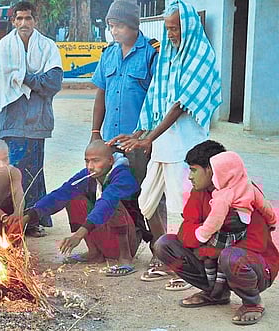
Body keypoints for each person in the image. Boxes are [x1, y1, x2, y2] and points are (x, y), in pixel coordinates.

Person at [108, 0, 222, 285]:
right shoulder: (168, 54)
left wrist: (149, 139)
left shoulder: (201, 55)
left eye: (176, 29)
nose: (171, 34)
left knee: (182, 208)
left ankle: (187, 268)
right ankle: (168, 257)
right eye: (168, 29)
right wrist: (138, 133)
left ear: (189, 27)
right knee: (147, 202)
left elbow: (180, 105)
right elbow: (154, 98)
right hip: (161, 144)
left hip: (184, 146)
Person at [154, 140, 279, 326]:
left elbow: (257, 243)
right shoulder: (200, 192)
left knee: (231, 256)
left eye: (194, 170)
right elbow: (184, 231)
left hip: (257, 266)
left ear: (212, 170)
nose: (189, 177)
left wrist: (208, 248)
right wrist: (203, 242)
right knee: (164, 245)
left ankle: (253, 303)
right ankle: (216, 294)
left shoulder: (244, 194)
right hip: (216, 256)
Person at [89, 0, 164, 271]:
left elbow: (158, 99)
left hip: (140, 141)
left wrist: (148, 137)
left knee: (151, 196)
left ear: (134, 26)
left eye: (119, 25)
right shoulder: (108, 54)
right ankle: (126, 251)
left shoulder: (152, 53)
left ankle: (160, 249)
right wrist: (96, 133)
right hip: (111, 142)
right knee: (116, 196)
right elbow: (100, 94)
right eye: (111, 25)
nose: (114, 31)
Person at [0, 1, 63, 237]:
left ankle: (31, 221)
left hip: (37, 121)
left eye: (28, 18)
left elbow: (53, 82)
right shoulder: (5, 47)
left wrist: (25, 78)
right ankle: (8, 220)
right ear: (12, 21)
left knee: (33, 173)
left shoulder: (48, 47)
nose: (23, 23)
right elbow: (1, 82)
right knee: (9, 172)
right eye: (18, 19)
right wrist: (33, 80)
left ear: (35, 20)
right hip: (12, 121)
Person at [24, 140, 140, 275]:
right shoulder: (89, 174)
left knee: (113, 204)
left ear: (110, 160)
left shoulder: (123, 176)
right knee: (72, 196)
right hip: (106, 234)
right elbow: (62, 192)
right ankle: (94, 253)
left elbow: (106, 204)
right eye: (87, 161)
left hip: (128, 238)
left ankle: (125, 259)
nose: (90, 166)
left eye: (96, 161)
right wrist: (28, 216)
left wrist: (78, 235)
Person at [193, 151, 277, 298]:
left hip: (226, 230)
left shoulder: (224, 194)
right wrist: (272, 221)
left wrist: (202, 234)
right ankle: (219, 284)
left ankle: (213, 287)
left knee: (209, 256)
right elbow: (265, 206)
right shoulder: (249, 186)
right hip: (241, 228)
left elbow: (216, 220)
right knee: (226, 255)